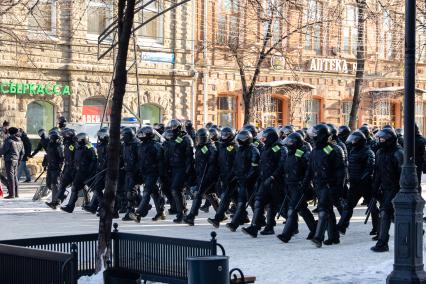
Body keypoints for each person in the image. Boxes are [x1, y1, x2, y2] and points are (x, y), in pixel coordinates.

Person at [303, 124, 345, 248]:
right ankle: (333, 237)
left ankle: (318, 237)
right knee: (328, 211)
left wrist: (339, 187)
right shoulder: (314, 150)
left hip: (329, 185)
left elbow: (340, 171)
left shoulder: (333, 149)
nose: (313, 137)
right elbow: (310, 169)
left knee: (323, 211)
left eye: (315, 135)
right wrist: (306, 183)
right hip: (319, 185)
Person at [242, 127, 286, 237]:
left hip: (275, 182)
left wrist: (273, 177)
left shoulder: (278, 148)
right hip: (264, 180)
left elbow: (281, 165)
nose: (263, 139)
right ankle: (255, 227)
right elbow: (262, 164)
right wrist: (260, 178)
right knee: (259, 202)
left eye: (265, 137)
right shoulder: (266, 148)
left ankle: (291, 225)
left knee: (280, 206)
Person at [277, 132, 316, 243]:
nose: (288, 144)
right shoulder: (290, 153)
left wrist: (304, 183)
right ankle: (314, 229)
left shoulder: (302, 153)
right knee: (302, 209)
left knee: (293, 210)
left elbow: (309, 170)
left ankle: (286, 235)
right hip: (290, 186)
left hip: (300, 186)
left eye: (290, 142)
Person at [337, 131, 376, 235]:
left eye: (354, 140)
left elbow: (370, 168)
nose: (352, 142)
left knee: (372, 207)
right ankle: (341, 226)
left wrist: (362, 178)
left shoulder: (368, 152)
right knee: (348, 206)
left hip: (365, 185)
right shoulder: (353, 151)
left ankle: (377, 227)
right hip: (354, 185)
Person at [371, 127, 403, 252]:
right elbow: (377, 172)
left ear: (389, 139)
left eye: (383, 138)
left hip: (396, 189)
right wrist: (375, 187)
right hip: (385, 188)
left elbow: (403, 174)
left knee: (385, 213)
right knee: (392, 215)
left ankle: (382, 243)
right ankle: (416, 230)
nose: (380, 140)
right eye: (379, 138)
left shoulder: (398, 153)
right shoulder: (380, 152)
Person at [226, 130, 260, 232]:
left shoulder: (254, 150)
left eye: (242, 139)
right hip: (241, 180)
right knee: (241, 203)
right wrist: (231, 176)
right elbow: (236, 165)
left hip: (251, 182)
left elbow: (254, 168)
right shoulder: (240, 150)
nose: (240, 141)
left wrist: (247, 178)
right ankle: (234, 224)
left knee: (254, 204)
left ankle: (258, 222)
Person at [130, 126, 166, 222]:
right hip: (144, 173)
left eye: (143, 134)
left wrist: (162, 175)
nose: (140, 135)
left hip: (153, 173)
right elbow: (139, 160)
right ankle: (161, 212)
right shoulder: (141, 145)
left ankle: (138, 214)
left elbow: (161, 162)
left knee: (146, 192)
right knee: (154, 193)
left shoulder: (156, 145)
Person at [183, 128, 219, 226]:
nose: (200, 140)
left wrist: (208, 176)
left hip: (208, 176)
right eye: (198, 138)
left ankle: (191, 216)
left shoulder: (211, 147)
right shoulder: (200, 147)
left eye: (202, 138)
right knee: (209, 194)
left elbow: (213, 163)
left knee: (198, 194)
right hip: (201, 174)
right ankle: (221, 213)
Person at [163, 119, 194, 223]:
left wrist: (187, 171)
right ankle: (182, 211)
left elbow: (190, 157)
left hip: (182, 168)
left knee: (176, 189)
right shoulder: (172, 139)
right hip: (173, 168)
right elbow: (168, 154)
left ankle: (180, 214)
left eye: (174, 128)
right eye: (171, 128)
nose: (172, 130)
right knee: (176, 190)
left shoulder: (186, 139)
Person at [208, 127, 238, 227]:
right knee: (235, 198)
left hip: (232, 176)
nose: (224, 137)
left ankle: (217, 219)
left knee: (225, 198)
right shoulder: (220, 146)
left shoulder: (234, 147)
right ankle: (244, 216)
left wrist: (233, 175)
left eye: (227, 135)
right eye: (223, 135)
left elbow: (237, 163)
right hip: (223, 176)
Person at [60, 133, 97, 213]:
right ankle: (70, 206)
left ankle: (95, 206)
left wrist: (90, 171)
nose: (76, 142)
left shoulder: (89, 148)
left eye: (78, 141)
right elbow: (75, 160)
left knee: (96, 189)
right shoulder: (78, 148)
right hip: (79, 173)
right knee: (75, 188)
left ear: (82, 140)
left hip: (87, 173)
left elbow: (94, 162)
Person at [46, 128, 76, 209]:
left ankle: (89, 203)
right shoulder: (66, 144)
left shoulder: (71, 145)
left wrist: (61, 166)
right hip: (67, 168)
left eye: (64, 135)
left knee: (79, 187)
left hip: (73, 169)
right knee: (61, 185)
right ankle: (56, 201)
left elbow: (66, 157)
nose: (63, 137)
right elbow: (67, 158)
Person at [82, 127, 109, 214]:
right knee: (97, 189)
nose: (98, 138)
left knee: (107, 190)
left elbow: (107, 160)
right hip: (100, 170)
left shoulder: (108, 146)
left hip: (106, 171)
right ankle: (95, 206)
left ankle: (103, 207)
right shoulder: (100, 145)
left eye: (99, 136)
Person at [120, 127, 141, 221]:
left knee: (130, 192)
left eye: (124, 135)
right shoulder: (125, 145)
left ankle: (131, 212)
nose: (122, 137)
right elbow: (122, 157)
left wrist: (136, 170)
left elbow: (140, 159)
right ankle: (132, 209)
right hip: (127, 171)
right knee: (127, 191)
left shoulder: (136, 145)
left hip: (135, 172)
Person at [1, 127, 24, 198]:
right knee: (14, 177)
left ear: (9, 132)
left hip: (9, 160)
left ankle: (11, 194)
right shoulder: (20, 141)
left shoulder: (9, 141)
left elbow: (3, 150)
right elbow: (22, 152)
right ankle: (16, 193)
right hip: (16, 160)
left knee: (10, 177)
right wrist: (19, 160)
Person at [45, 129, 64, 203]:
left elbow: (62, 157)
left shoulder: (59, 145)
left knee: (55, 184)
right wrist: (45, 162)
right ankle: (59, 197)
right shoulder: (50, 144)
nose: (50, 138)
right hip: (50, 166)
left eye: (51, 137)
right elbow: (48, 155)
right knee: (49, 183)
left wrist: (60, 167)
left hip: (56, 167)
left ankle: (55, 201)